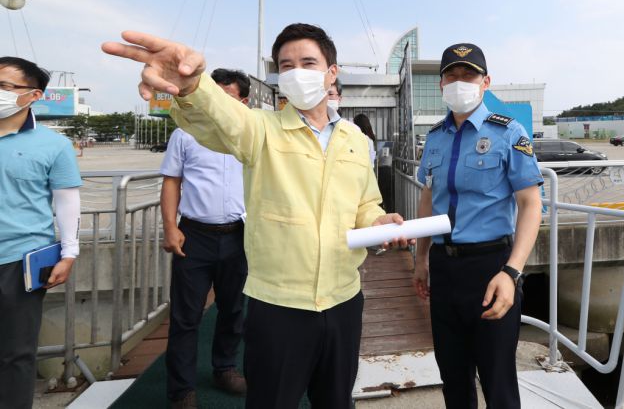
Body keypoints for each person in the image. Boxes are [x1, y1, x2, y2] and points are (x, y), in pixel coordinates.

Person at [102, 24, 407, 409]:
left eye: (308, 62)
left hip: (344, 298)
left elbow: (366, 203)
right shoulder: (262, 129)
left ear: (332, 73)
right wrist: (194, 84)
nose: (297, 71)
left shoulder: (354, 139)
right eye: (286, 65)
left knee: (335, 400)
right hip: (278, 305)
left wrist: (376, 222)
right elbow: (224, 118)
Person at [412, 44, 543, 409]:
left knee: (497, 380)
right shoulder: (435, 137)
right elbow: (428, 199)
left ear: (485, 82)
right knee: (453, 377)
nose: (459, 82)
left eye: (467, 75)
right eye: (451, 75)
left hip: (491, 268)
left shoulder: (508, 132)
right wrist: (420, 258)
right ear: (441, 84)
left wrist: (511, 272)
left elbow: (531, 204)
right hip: (444, 265)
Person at [160, 68, 251, 409]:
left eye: (227, 99)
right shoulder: (185, 133)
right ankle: (181, 390)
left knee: (233, 309)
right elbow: (172, 181)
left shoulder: (250, 136)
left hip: (238, 236)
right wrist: (171, 227)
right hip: (194, 235)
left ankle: (225, 368)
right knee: (186, 316)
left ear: (243, 102)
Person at [0, 57, 82, 409]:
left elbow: (66, 202)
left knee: (16, 355)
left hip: (18, 263)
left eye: (3, 86)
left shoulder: (54, 145)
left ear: (32, 95)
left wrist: (69, 253)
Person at [326, 80, 376, 165]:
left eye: (330, 94)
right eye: (322, 94)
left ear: (339, 99)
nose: (326, 98)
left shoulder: (354, 132)